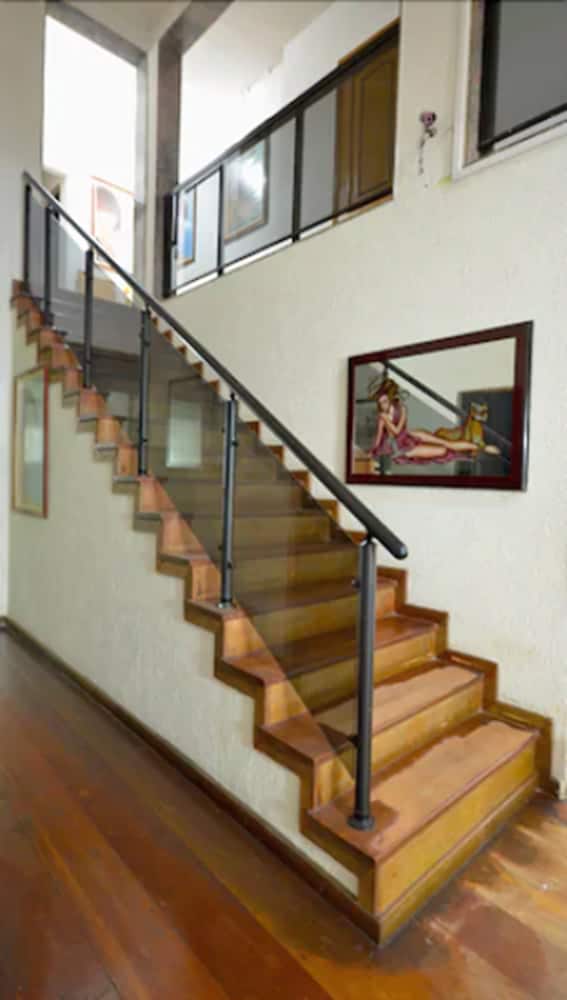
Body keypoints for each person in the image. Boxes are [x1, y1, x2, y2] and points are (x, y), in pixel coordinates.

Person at [370, 376, 480, 464]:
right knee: (442, 450)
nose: (383, 405)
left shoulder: (401, 408)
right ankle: (467, 457)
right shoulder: (382, 416)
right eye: (380, 403)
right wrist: (373, 451)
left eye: (385, 401)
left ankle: (478, 447)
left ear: (390, 398)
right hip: (399, 448)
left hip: (408, 436)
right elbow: (383, 436)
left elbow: (399, 430)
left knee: (446, 442)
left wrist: (387, 420)